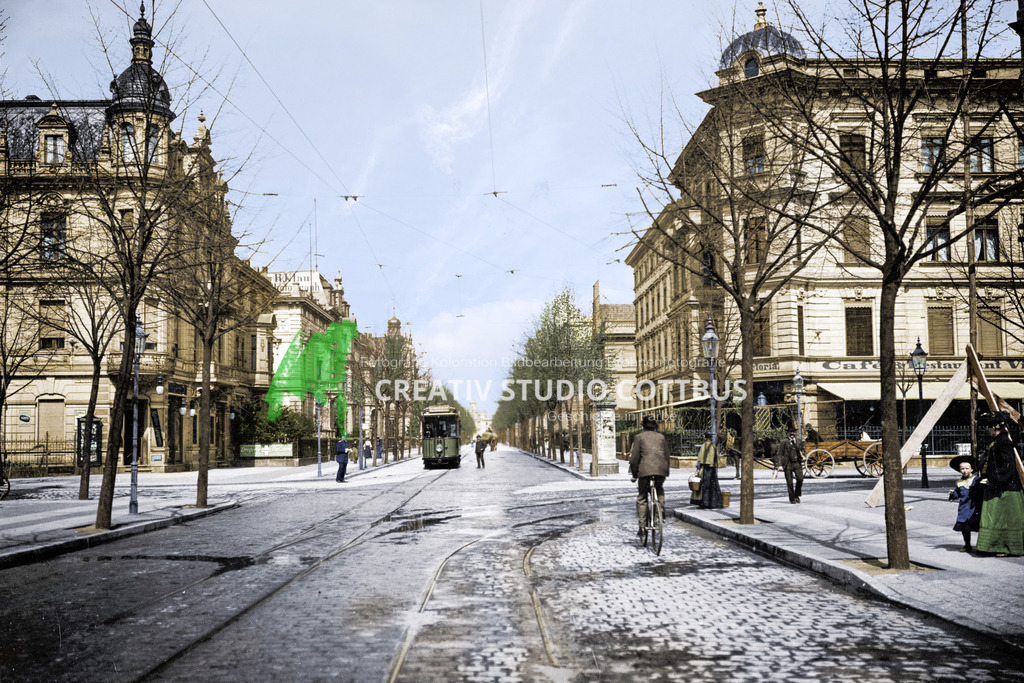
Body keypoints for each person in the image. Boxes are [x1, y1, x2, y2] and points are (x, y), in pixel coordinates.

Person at [976, 412, 1024, 556]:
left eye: (989, 428)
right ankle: (995, 546)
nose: (988, 431)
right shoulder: (998, 442)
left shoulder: (1003, 443)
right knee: (995, 518)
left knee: (1005, 519)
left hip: (1006, 488)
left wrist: (994, 480)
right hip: (999, 486)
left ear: (994, 428)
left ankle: (1006, 547)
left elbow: (1008, 466)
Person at [629, 415, 670, 537]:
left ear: (644, 426)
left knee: (642, 497)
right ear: (655, 427)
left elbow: (634, 459)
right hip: (660, 471)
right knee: (659, 491)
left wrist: (635, 474)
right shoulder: (661, 437)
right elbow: (667, 456)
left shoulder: (639, 437)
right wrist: (665, 471)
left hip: (645, 471)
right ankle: (659, 516)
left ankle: (642, 527)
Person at [948, 454, 981, 552]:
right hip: (964, 508)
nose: (965, 470)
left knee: (978, 526)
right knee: (964, 528)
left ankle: (982, 546)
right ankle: (967, 545)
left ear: (971, 469)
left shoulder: (976, 480)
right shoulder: (959, 482)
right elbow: (957, 494)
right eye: (962, 469)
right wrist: (953, 494)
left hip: (975, 507)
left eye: (967, 468)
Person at [775, 426, 804, 503]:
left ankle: (797, 495)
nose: (792, 434)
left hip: (797, 463)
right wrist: (780, 465)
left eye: (793, 432)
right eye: (790, 432)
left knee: (800, 479)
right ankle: (792, 499)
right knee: (789, 482)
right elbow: (779, 454)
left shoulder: (798, 441)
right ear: (787, 433)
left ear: (795, 433)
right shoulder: (784, 442)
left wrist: (803, 456)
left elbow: (802, 451)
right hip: (787, 464)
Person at [695, 431, 723, 509]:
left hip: (706, 469)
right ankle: (714, 503)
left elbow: (700, 458)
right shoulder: (713, 446)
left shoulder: (704, 446)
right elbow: (716, 458)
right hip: (712, 468)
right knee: (713, 485)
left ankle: (705, 503)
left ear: (705, 437)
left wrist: (697, 469)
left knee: (705, 485)